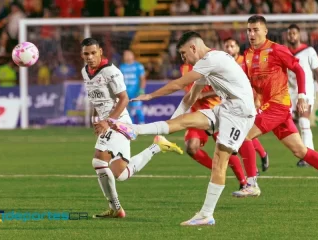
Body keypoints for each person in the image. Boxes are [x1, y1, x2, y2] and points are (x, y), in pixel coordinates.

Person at [96, 31, 257, 226]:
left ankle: (206, 214)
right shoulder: (209, 62)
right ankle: (135, 129)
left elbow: (179, 84)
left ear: (193, 48)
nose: (183, 58)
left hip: (240, 113)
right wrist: (171, 124)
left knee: (219, 163)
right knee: (183, 122)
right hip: (226, 107)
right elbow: (191, 97)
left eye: (183, 53)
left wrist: (150, 96)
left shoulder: (212, 59)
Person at [230, 15, 318, 200]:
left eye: (255, 30)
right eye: (249, 30)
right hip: (271, 109)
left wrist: (302, 96)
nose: (251, 34)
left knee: (244, 135)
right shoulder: (247, 55)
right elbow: (245, 82)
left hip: (278, 106)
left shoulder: (277, 50)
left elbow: (299, 70)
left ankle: (251, 183)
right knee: (300, 151)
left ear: (265, 31)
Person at [80, 38, 183, 219]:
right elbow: (98, 101)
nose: (89, 57)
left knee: (98, 162)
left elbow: (124, 98)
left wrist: (107, 121)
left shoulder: (111, 71)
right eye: (86, 54)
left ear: (101, 52)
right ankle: (156, 146)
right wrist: (97, 118)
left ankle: (116, 209)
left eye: (93, 53)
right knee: (120, 174)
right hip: (107, 123)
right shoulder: (85, 72)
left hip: (118, 121)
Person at [177, 63, 248, 191]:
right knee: (191, 147)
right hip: (197, 113)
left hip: (217, 112)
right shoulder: (184, 68)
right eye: (182, 54)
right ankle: (216, 170)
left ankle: (244, 182)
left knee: (225, 148)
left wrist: (203, 95)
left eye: (184, 53)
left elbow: (224, 88)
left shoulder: (213, 64)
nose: (183, 56)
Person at [223, 37, 270, 173]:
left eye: (232, 46)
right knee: (242, 133)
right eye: (227, 46)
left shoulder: (244, 61)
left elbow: (254, 80)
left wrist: (257, 98)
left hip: (247, 100)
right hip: (232, 101)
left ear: (238, 48)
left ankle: (253, 166)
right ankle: (261, 156)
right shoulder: (225, 63)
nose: (229, 48)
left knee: (242, 133)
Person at [286, 24, 318, 167]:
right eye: (289, 33)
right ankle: (305, 152)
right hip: (290, 93)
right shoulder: (284, 52)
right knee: (291, 123)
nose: (292, 36)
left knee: (303, 121)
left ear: (299, 35)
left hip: (306, 91)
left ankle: (309, 155)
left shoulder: (309, 51)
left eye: (294, 33)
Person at [119, 50, 146, 124]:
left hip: (136, 92)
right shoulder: (122, 67)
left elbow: (142, 79)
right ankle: (131, 126)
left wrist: (141, 89)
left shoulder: (138, 66)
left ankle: (142, 125)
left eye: (128, 54)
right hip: (126, 92)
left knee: (138, 109)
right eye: (125, 55)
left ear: (132, 56)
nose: (126, 56)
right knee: (127, 110)